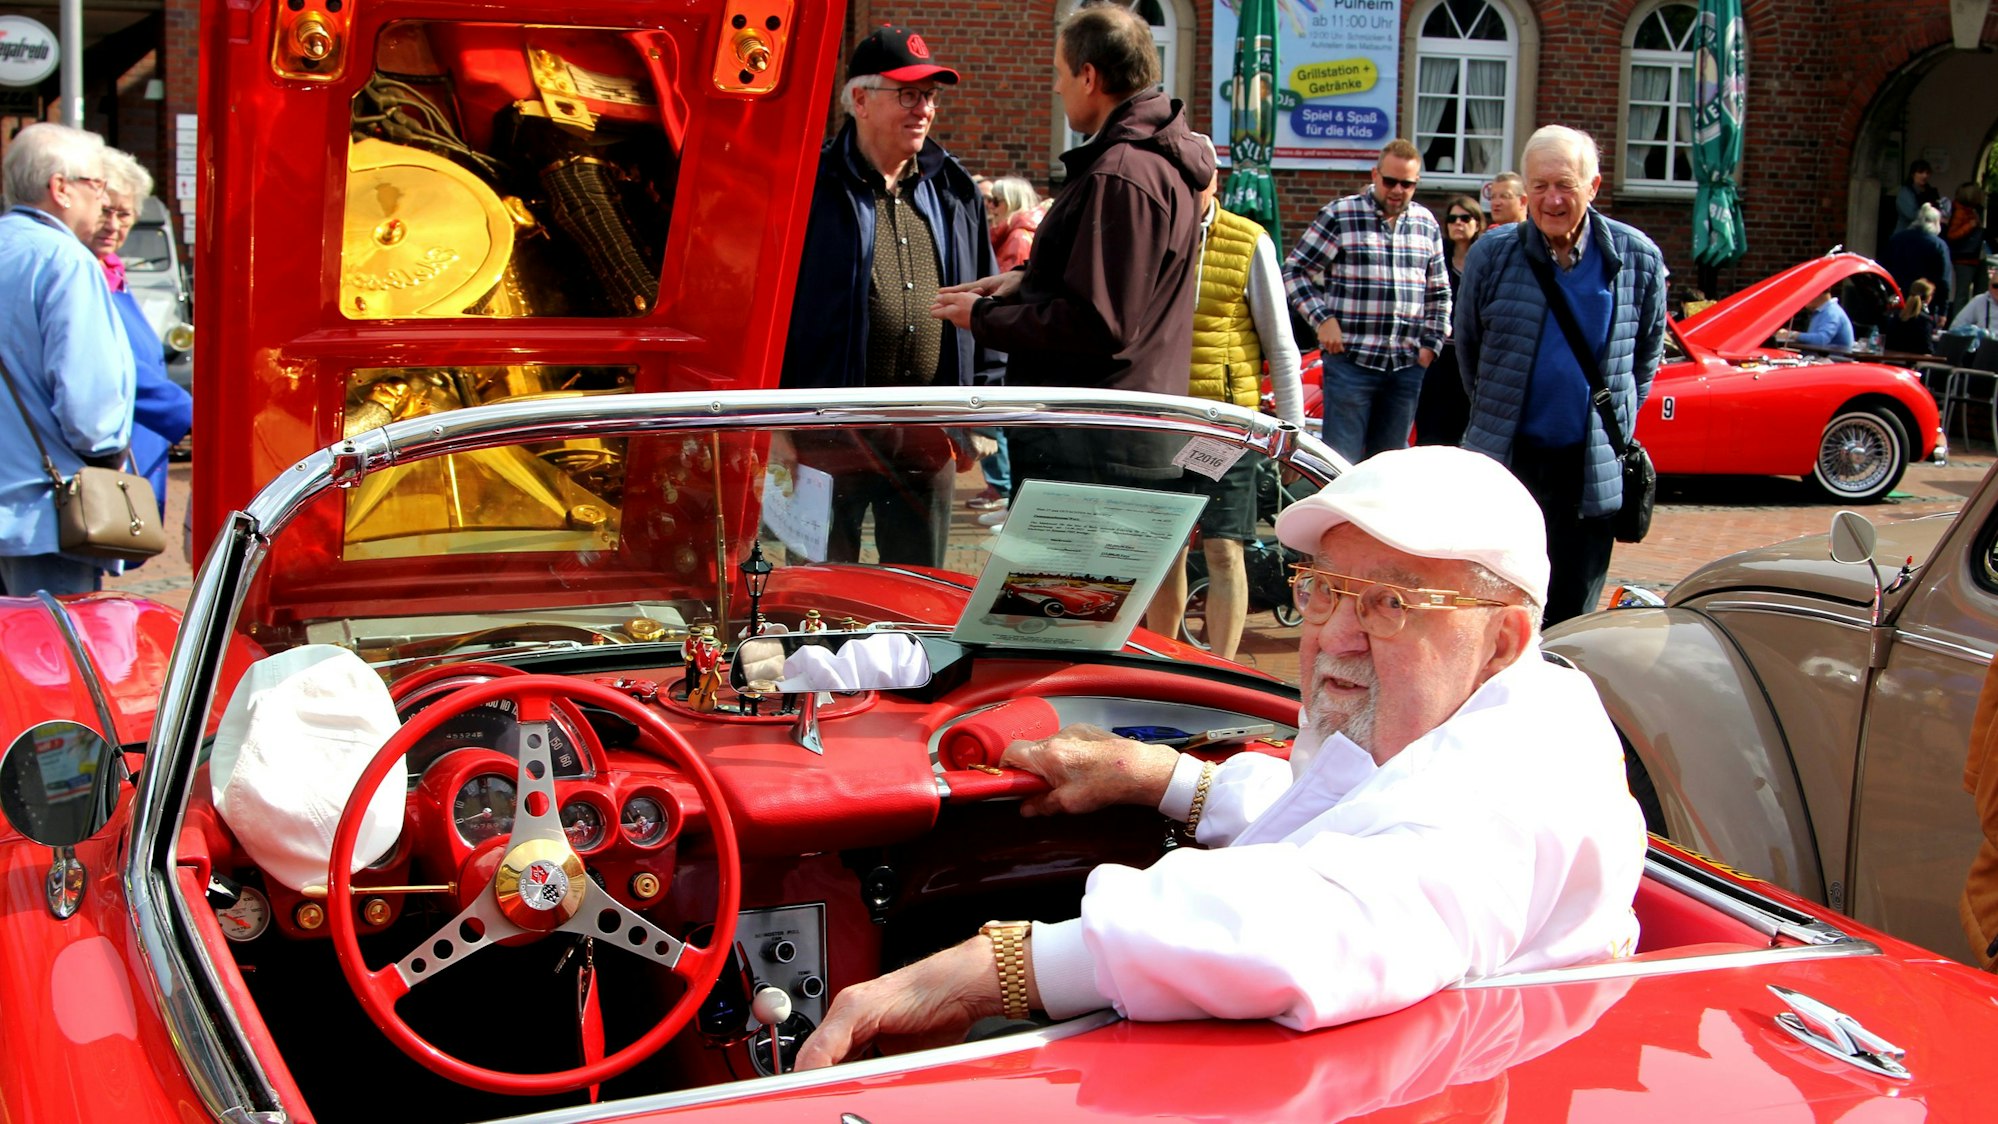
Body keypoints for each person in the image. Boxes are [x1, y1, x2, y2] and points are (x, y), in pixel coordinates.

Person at [792, 445, 1646, 1068]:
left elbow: (1332, 920)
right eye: (1323, 590)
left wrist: (1003, 968)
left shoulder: (1511, 779)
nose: (1336, 638)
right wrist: (1157, 775)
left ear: (1504, 638)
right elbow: (1347, 811)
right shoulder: (1476, 716)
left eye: (1391, 603)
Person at [931, 2, 1212, 490]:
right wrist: (1029, 281)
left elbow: (1102, 323)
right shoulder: (1149, 162)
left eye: (1060, 73)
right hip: (1118, 434)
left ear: (1088, 76)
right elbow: (1124, 292)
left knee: (1063, 571)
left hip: (1095, 447)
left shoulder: (1123, 172)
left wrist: (981, 317)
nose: (1056, 87)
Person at [778, 25, 1000, 567]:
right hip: (825, 434)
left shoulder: (954, 189)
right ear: (859, 99)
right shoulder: (806, 187)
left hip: (926, 434)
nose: (923, 109)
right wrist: (774, 426)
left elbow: (989, 303)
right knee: (818, 600)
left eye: (930, 96)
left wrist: (981, 417)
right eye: (908, 94)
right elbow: (765, 313)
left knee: (918, 601)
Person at [1456, 125, 1668, 626]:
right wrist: (1497, 414)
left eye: (1566, 185)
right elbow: (1469, 353)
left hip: (1589, 468)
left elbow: (1645, 358)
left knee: (1573, 615)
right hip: (1510, 461)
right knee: (1499, 606)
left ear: (1593, 187)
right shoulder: (1493, 254)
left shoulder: (1637, 257)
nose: (1552, 199)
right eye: (1541, 186)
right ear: (1526, 190)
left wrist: (1615, 426)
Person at [1144, 134, 1305, 661]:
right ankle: (1164, 663)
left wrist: (1292, 430)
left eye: (1200, 176)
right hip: (1162, 418)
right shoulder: (1152, 232)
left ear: (1217, 179)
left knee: (1224, 545)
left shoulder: (1248, 240)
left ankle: (1219, 669)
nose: (1190, 188)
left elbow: (1281, 344)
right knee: (1162, 550)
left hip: (1225, 424)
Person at [0, 123, 137, 597]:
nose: (103, 202)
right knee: (55, 660)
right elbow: (90, 409)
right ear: (60, 188)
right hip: (45, 514)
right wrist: (109, 454)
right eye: (96, 185)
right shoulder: (65, 261)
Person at [1281, 139, 1450, 463]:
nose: (1398, 190)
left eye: (1407, 183)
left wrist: (1431, 345)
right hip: (1351, 363)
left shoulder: (1425, 223)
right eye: (1390, 181)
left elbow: (1439, 290)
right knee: (1340, 464)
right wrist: (1322, 320)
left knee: (1388, 468)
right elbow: (1294, 271)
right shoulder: (1341, 215)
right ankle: (1339, 517)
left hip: (1405, 365)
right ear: (1376, 175)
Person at [89, 150, 193, 523]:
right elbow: (118, 365)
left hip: (139, 448)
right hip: (107, 456)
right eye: (105, 211)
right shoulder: (83, 274)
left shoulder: (113, 272)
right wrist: (189, 415)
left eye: (124, 214)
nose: (113, 225)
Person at [1414, 194, 1486, 446]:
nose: (1458, 223)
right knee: (1430, 425)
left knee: (1460, 425)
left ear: (1477, 222)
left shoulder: (1484, 262)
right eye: (1452, 218)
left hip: (1469, 357)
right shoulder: (1438, 258)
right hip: (1438, 353)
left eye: (1465, 218)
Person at [1882, 203, 1953, 324]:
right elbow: (1944, 281)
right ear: (1936, 223)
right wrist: (1943, 312)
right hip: (1925, 304)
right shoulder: (1939, 245)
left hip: (1897, 299)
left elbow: (1884, 268)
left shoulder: (1897, 239)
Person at [1946, 182, 1990, 313]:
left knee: (1981, 291)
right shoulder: (1961, 212)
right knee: (1962, 294)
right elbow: (1952, 235)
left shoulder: (1974, 210)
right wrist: (1969, 226)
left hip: (1976, 256)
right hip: (1964, 259)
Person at [1774, 287, 1856, 350]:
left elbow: (1821, 340)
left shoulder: (1832, 312)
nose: (1803, 298)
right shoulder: (1823, 312)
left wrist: (1792, 335)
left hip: (1833, 362)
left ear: (1819, 293)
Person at [1882, 279, 1937, 355]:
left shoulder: (1893, 315)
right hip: (1911, 363)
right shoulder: (1925, 320)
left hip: (1887, 360)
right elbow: (1927, 349)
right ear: (1927, 297)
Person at [1952, 262, 1998, 340]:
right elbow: (1956, 327)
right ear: (1989, 286)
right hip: (1986, 348)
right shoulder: (1980, 300)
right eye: (1995, 286)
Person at [1895, 159, 1942, 234]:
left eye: (1927, 173)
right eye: (1920, 172)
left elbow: (1939, 207)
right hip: (1906, 234)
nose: (1924, 175)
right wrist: (1933, 215)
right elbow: (1911, 214)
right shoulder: (1905, 192)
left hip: (1927, 234)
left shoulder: (1931, 191)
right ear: (1913, 174)